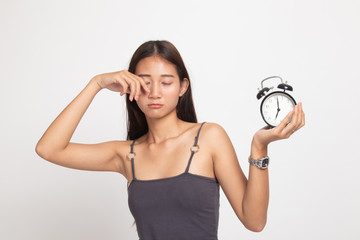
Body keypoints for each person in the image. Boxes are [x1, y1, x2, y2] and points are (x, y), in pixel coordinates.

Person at [35, 40, 305, 240]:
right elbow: (48, 149)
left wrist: (259, 146)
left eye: (165, 82)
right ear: (131, 87)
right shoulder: (126, 155)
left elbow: (254, 221)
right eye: (144, 82)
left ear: (182, 88)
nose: (154, 92)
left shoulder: (210, 137)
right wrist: (96, 84)